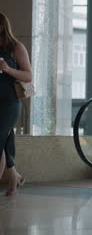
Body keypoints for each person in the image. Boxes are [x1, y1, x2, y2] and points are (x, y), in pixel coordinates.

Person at [0, 12, 32, 196]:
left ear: (2, 27)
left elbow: (28, 75)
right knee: (4, 141)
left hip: (9, 103)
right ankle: (15, 178)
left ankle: (14, 178)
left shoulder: (15, 47)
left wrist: (8, 69)